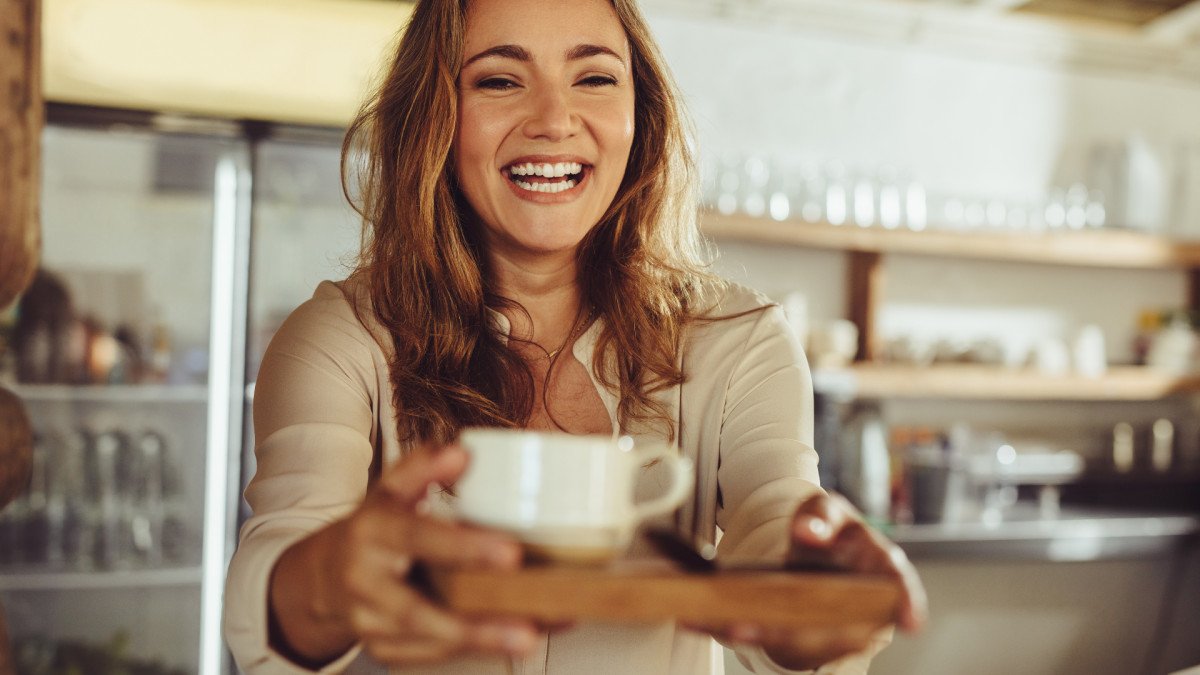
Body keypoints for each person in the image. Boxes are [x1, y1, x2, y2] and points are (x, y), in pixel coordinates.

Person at [222, 0, 927, 673]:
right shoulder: (340, 339)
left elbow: (774, 518)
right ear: (433, 116)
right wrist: (333, 579)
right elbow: (275, 576)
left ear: (639, 115)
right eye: (499, 80)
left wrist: (822, 584)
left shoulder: (739, 342)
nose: (555, 120)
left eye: (594, 78)